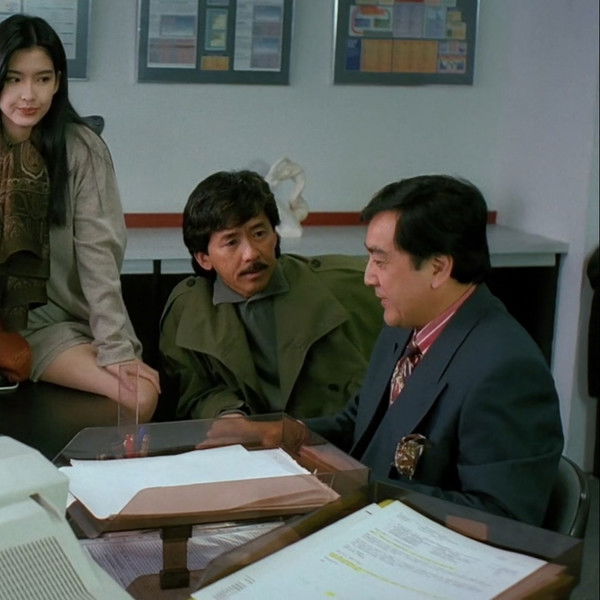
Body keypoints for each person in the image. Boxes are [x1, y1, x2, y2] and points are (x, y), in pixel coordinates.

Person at [202, 175, 564, 527]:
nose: (368, 277)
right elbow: (361, 423)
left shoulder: (506, 369)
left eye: (381, 261)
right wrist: (289, 433)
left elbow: (503, 520)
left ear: (438, 268)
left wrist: (362, 491)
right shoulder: (405, 324)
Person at [0, 15, 159, 420]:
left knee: (139, 396)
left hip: (54, 323)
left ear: (58, 82)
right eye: (14, 79)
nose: (28, 94)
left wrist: (116, 348)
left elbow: (98, 256)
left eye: (42, 79)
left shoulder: (81, 148)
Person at [159, 169, 382, 419]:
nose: (251, 253)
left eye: (259, 233)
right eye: (231, 242)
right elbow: (193, 391)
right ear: (204, 258)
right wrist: (228, 414)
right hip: (244, 438)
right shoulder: (188, 308)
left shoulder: (344, 283)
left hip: (334, 434)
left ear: (275, 236)